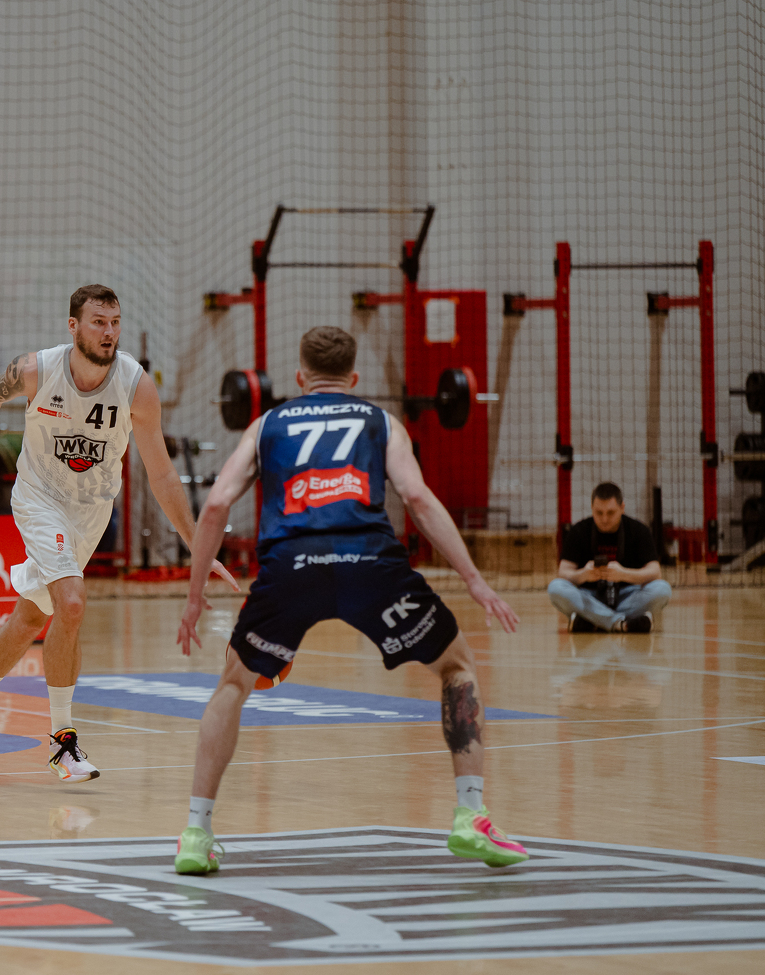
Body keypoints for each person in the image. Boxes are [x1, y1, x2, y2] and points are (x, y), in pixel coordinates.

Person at [172, 326, 528, 874]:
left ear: (299, 376)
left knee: (233, 684)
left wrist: (195, 595)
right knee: (456, 664)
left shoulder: (266, 424)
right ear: (354, 377)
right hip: (371, 564)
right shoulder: (382, 422)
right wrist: (475, 580)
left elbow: (216, 505)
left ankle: (196, 833)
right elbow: (417, 498)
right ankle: (470, 815)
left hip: (291, 566)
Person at [0, 284, 238, 783]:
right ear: (73, 326)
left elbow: (161, 473)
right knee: (71, 603)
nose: (109, 332)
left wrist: (195, 542)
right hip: (39, 500)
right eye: (98, 322)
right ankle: (62, 741)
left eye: (115, 322)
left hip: (90, 512)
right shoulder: (36, 369)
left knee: (32, 617)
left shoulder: (136, 386)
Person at [547, 483, 671, 633]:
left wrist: (623, 574)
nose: (604, 519)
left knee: (662, 589)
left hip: (627, 595)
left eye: (610, 513)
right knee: (555, 588)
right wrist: (584, 574)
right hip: (590, 596)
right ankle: (619, 622)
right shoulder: (578, 531)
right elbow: (563, 572)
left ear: (622, 508)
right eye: (599, 513)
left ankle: (594, 620)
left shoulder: (639, 530)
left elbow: (655, 572)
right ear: (592, 508)